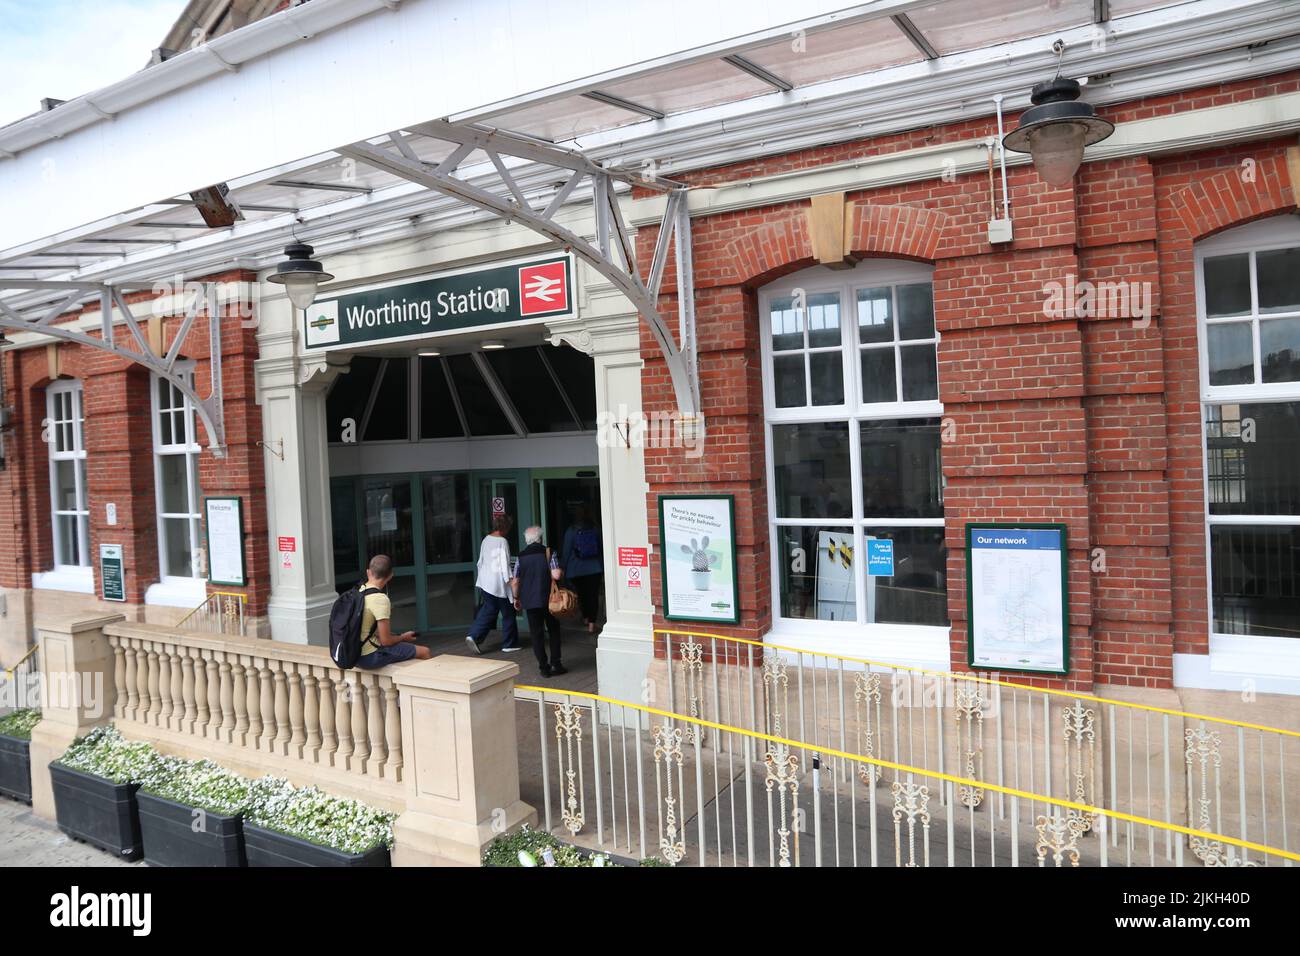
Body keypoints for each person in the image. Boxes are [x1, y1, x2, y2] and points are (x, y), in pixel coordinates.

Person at [355, 554, 432, 668]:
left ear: (368, 572)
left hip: (352, 652)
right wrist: (403, 637)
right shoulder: (380, 599)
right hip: (368, 656)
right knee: (425, 651)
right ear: (390, 575)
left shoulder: (359, 591)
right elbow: (386, 641)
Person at [513, 526, 567, 677]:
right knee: (554, 631)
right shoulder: (548, 552)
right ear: (540, 538)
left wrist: (516, 598)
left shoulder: (520, 556)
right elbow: (556, 575)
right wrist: (560, 571)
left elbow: (516, 581)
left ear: (527, 540)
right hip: (549, 600)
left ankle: (544, 668)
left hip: (530, 601)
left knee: (536, 635)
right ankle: (556, 663)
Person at [466, 513, 521, 653]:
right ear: (506, 527)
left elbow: (481, 562)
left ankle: (474, 635)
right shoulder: (502, 542)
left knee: (489, 610)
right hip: (499, 585)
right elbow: (504, 565)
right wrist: (510, 581)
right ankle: (509, 644)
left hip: (486, 583)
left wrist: (483, 578)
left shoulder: (486, 539)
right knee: (508, 613)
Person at [560, 504, 603, 634]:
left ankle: (585, 618)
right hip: (595, 568)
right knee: (593, 595)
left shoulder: (571, 530)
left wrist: (563, 568)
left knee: (582, 595)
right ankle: (592, 623)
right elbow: (601, 548)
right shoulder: (596, 529)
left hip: (576, 569)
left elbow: (566, 552)